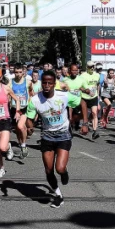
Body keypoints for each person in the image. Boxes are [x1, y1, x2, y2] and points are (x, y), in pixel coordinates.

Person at [25, 70, 81, 208]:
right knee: (49, 170)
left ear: (54, 84)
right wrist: (30, 128)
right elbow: (29, 118)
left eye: (50, 83)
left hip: (63, 134)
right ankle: (58, 195)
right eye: (44, 82)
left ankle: (64, 173)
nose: (47, 85)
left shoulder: (64, 96)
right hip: (47, 136)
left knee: (59, 168)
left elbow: (79, 103)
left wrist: (78, 120)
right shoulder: (35, 100)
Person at [9, 64, 33, 158]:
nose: (18, 74)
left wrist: (30, 100)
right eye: (16, 72)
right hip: (14, 108)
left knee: (20, 126)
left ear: (23, 72)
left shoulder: (28, 82)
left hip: (24, 108)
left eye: (20, 72)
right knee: (17, 129)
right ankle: (21, 143)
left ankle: (23, 145)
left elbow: (31, 92)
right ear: (14, 72)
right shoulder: (10, 82)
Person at [79, 61, 101, 139]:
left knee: (94, 113)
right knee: (82, 115)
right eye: (90, 67)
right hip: (84, 97)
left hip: (94, 97)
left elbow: (97, 85)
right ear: (87, 67)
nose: (92, 68)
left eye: (93, 67)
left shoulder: (97, 75)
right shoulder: (82, 76)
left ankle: (95, 131)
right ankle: (82, 125)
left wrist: (98, 95)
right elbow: (79, 86)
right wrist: (85, 91)